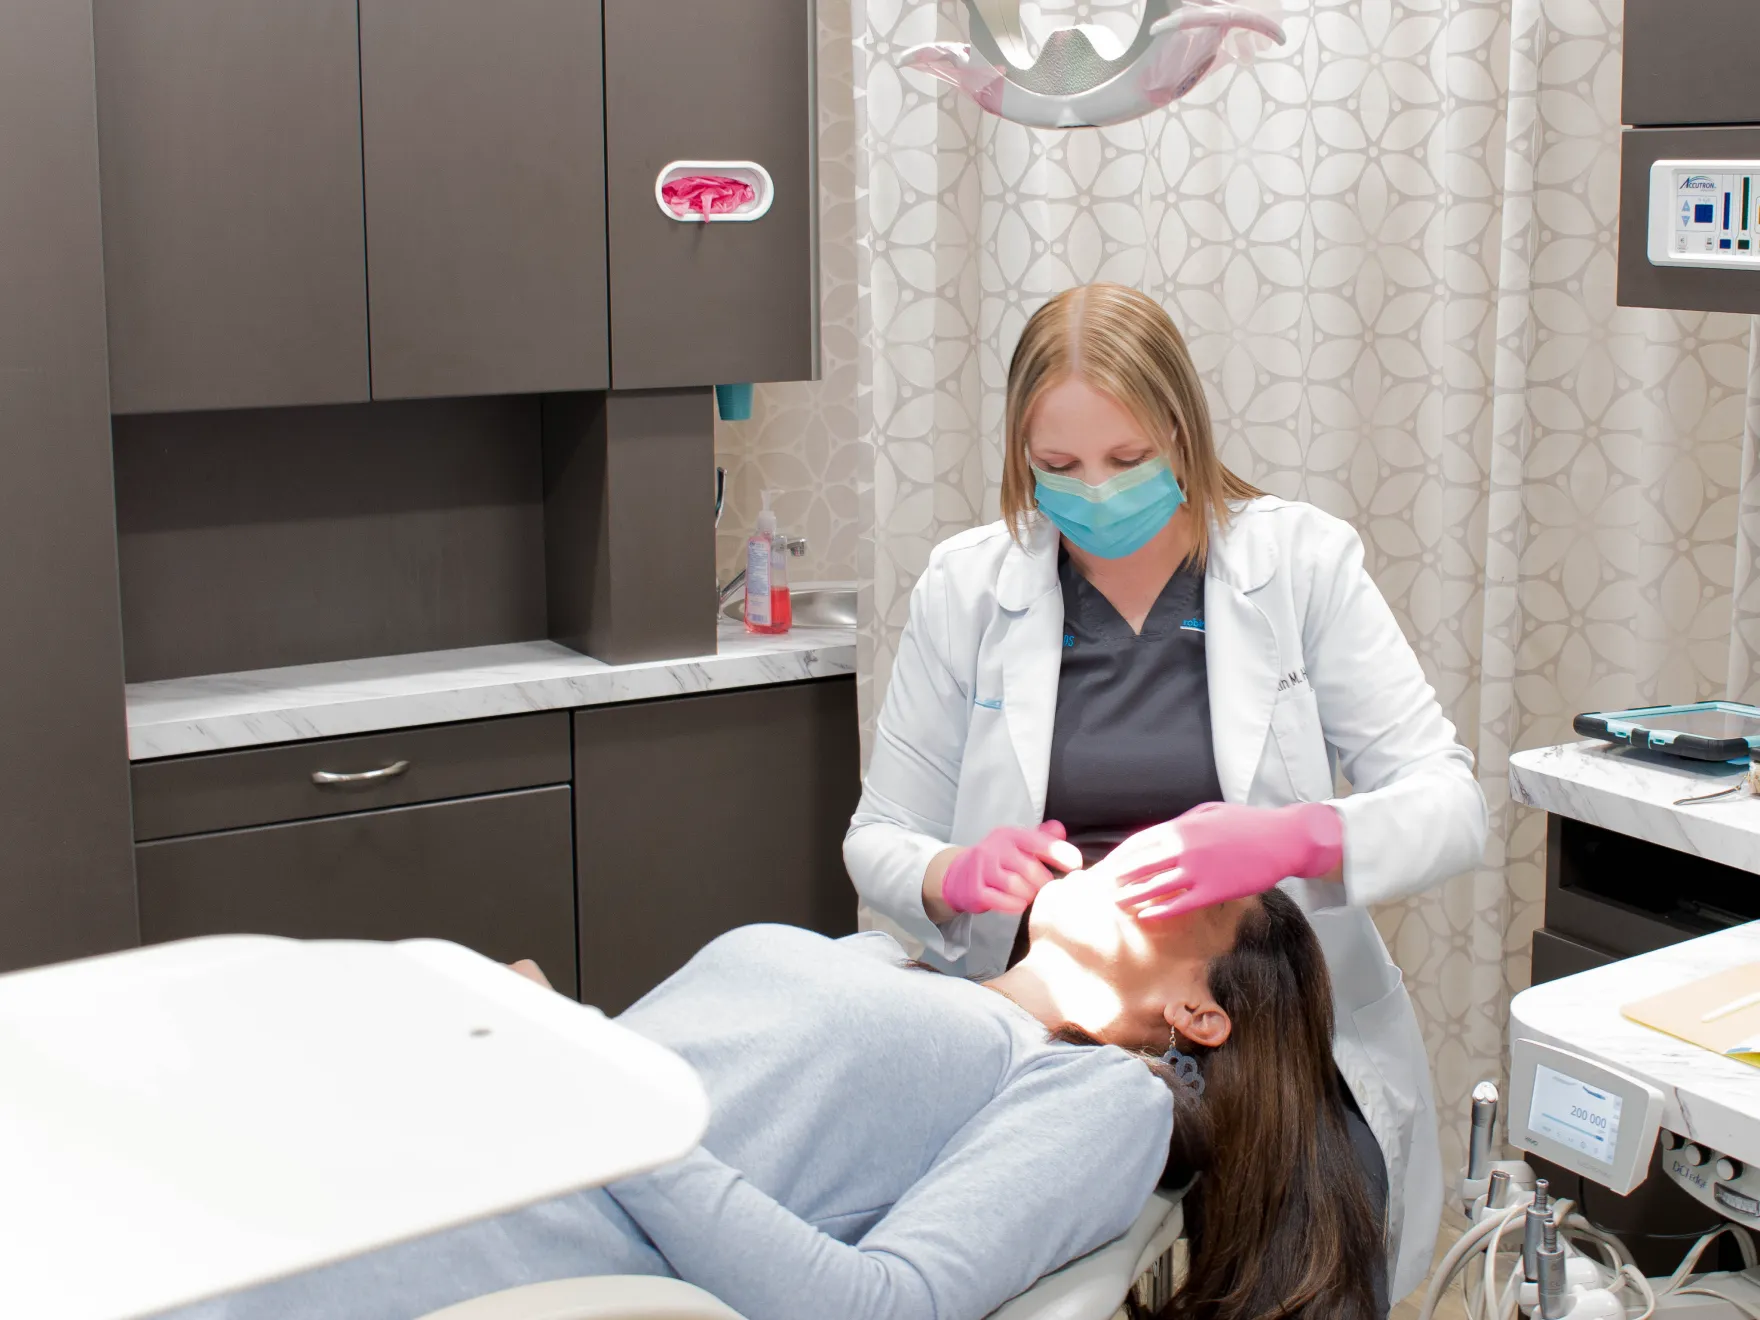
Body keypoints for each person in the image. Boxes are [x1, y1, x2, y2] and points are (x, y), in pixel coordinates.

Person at [845, 283, 1489, 1305]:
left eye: (1127, 460)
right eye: (1054, 468)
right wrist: (948, 871)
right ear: (1018, 456)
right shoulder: (966, 588)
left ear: (1183, 433)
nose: (1092, 492)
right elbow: (878, 836)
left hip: (1252, 1018)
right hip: (1037, 1009)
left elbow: (1450, 807)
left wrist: (1293, 839)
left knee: (1310, 1251)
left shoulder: (1297, 565)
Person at [160, 877, 1381, 1320]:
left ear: (1199, 1014)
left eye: (1178, 884)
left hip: (476, 1248)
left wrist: (588, 1070)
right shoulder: (879, 962)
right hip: (407, 1144)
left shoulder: (1089, 1092)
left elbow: (878, 1305)